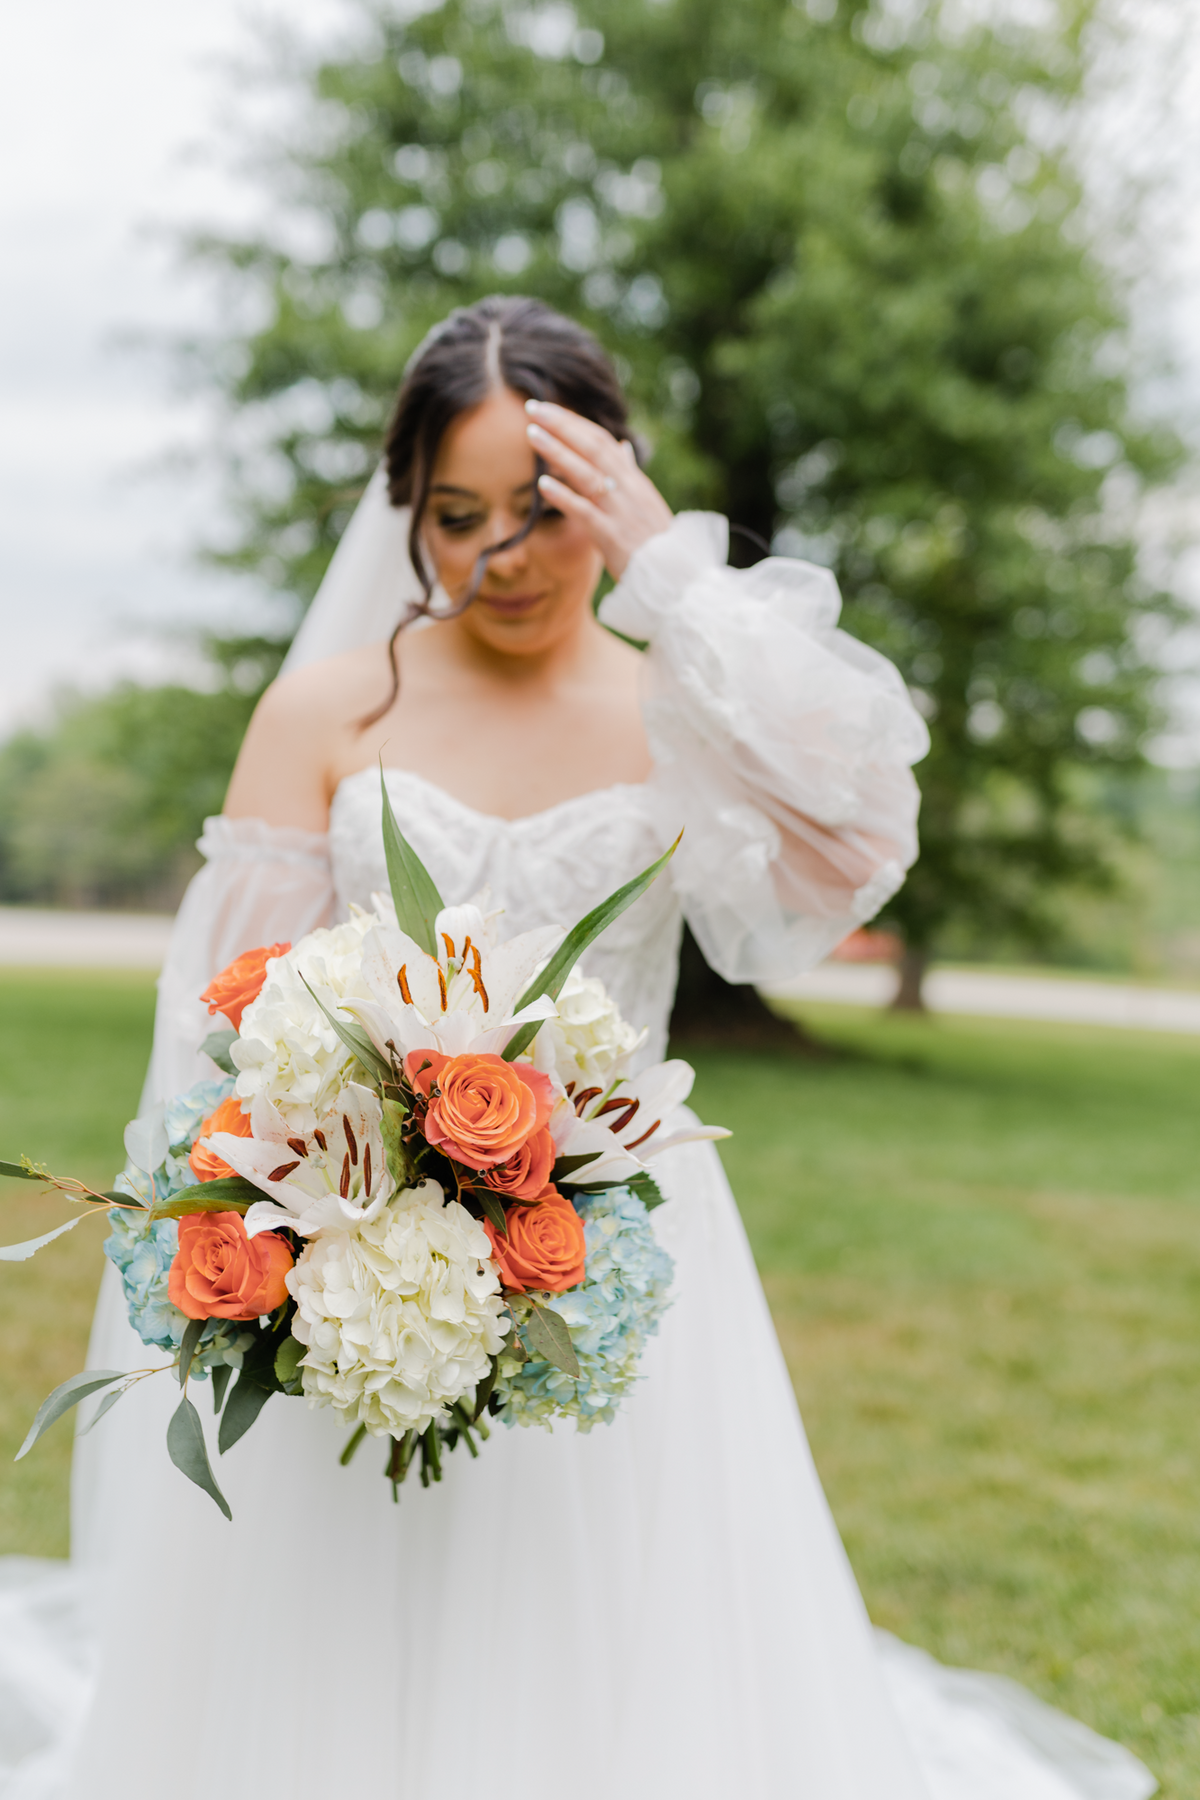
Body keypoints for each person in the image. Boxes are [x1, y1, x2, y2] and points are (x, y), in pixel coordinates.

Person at [7, 297, 1155, 1799]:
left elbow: (861, 837)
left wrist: (677, 576)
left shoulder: (690, 704)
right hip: (357, 1249)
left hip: (623, 1263)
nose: (499, 558)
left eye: (543, 510)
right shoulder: (328, 708)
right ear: (402, 508)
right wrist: (298, 1236)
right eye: (453, 512)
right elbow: (235, 1014)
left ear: (611, 488)